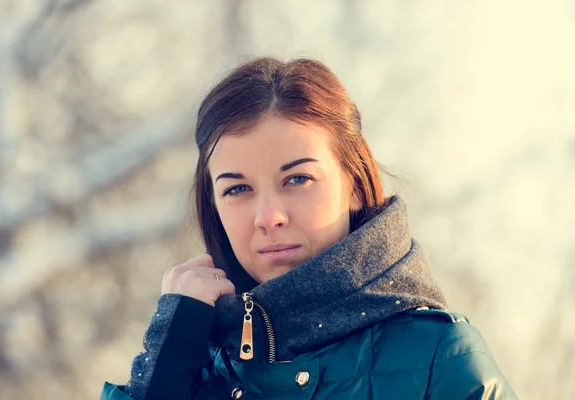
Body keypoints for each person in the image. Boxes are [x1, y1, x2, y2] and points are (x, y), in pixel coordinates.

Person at [100, 57, 517, 400]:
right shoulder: (197, 370)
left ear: (353, 184)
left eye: (297, 179)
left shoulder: (438, 359)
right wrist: (165, 367)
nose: (268, 217)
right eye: (238, 188)